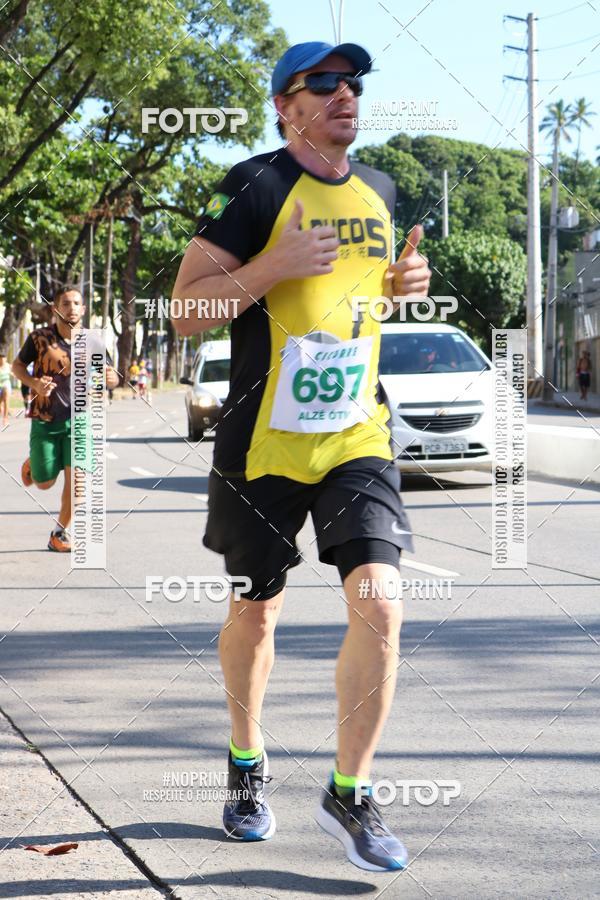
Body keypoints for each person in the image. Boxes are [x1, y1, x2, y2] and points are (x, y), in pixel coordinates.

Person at [171, 41, 431, 871]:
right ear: (286, 106)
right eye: (322, 83)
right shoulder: (252, 187)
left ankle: (349, 795)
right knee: (256, 611)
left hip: (358, 433)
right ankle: (247, 766)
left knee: (382, 603)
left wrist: (398, 288)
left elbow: (365, 291)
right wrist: (272, 265)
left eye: (351, 82)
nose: (343, 94)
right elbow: (184, 312)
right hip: (263, 443)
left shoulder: (382, 191)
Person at [11, 286, 118, 551]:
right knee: (44, 482)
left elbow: (111, 375)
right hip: (46, 420)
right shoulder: (39, 338)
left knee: (78, 484)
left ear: (83, 309)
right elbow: (17, 366)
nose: (71, 308)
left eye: (76, 303)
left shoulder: (93, 342)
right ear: (56, 309)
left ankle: (59, 533)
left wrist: (112, 379)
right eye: (66, 303)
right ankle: (35, 466)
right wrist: (35, 384)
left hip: (81, 421)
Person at [0, 354, 11, 426]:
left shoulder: (8, 366)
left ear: (6, 359)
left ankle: (5, 418)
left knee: (6, 399)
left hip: (6, 385)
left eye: (3, 358)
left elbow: (15, 373)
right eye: (0, 359)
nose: (2, 360)